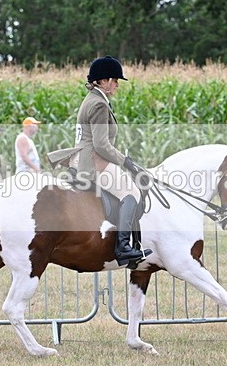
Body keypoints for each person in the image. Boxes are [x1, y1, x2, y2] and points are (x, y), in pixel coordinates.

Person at [47, 56, 151, 267]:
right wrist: (126, 162)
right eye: (114, 80)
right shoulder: (98, 104)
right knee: (131, 191)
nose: (117, 84)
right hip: (93, 162)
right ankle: (123, 248)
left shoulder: (93, 100)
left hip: (86, 158)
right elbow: (101, 144)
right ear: (102, 81)